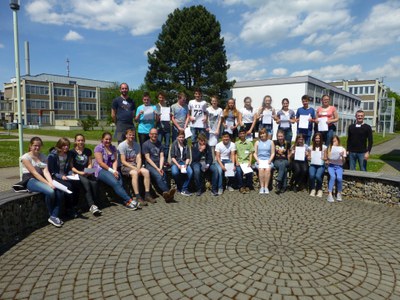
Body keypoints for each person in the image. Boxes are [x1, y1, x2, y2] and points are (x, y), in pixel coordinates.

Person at [21, 137, 64, 227]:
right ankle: (51, 214)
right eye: (35, 146)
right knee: (51, 191)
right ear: (30, 146)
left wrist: (51, 182)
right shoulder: (25, 157)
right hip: (30, 180)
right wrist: (48, 184)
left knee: (60, 192)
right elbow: (34, 173)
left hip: (41, 178)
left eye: (39, 146)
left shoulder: (43, 156)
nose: (37, 148)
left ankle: (54, 216)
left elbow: (45, 171)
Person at [93, 132, 141, 210]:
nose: (108, 141)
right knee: (115, 182)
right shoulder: (98, 148)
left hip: (111, 169)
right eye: (106, 139)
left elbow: (115, 160)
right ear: (102, 139)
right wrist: (112, 171)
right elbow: (101, 163)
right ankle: (130, 200)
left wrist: (115, 171)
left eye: (110, 139)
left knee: (120, 181)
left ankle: (126, 202)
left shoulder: (113, 148)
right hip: (100, 170)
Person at [118, 129, 155, 206]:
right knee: (135, 173)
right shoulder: (122, 145)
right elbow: (123, 161)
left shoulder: (137, 145)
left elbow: (139, 158)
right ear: (126, 135)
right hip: (125, 166)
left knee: (146, 172)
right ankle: (138, 196)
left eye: (133, 135)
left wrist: (138, 168)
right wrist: (135, 169)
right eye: (130, 135)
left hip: (135, 165)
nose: (131, 136)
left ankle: (147, 194)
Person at [70, 134, 102, 216]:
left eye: (82, 140)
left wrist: (88, 171)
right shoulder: (72, 152)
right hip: (77, 173)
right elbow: (71, 167)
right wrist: (81, 173)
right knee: (86, 183)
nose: (80, 142)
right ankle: (91, 206)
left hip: (86, 171)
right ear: (75, 141)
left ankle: (95, 203)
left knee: (94, 183)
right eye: (78, 140)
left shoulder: (87, 151)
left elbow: (89, 163)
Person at [142, 128, 176, 202]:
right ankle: (168, 192)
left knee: (163, 175)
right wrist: (157, 169)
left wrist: (160, 167)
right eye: (152, 134)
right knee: (159, 176)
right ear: (149, 135)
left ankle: (167, 196)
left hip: (158, 165)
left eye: (156, 134)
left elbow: (162, 156)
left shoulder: (160, 144)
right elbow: (147, 158)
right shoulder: (145, 144)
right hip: (150, 165)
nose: (154, 135)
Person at [47, 137, 78, 218]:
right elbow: (52, 171)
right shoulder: (52, 156)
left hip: (65, 175)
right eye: (64, 146)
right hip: (55, 177)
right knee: (68, 186)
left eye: (67, 145)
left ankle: (74, 206)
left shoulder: (68, 154)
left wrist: (72, 173)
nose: (66, 147)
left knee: (77, 183)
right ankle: (69, 209)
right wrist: (61, 176)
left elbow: (68, 169)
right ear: (59, 146)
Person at [170, 130, 193, 196]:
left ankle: (184, 188)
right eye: (180, 137)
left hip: (184, 162)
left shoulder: (186, 144)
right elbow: (172, 157)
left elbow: (188, 157)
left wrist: (186, 164)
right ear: (177, 137)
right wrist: (178, 165)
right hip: (175, 162)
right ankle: (179, 186)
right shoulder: (174, 144)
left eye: (182, 137)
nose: (181, 139)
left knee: (190, 172)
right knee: (175, 172)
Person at [254, 128, 275, 194]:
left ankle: (266, 187)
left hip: (268, 160)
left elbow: (273, 153)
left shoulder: (271, 142)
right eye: (261, 134)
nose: (262, 135)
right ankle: (262, 187)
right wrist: (257, 160)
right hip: (260, 160)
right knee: (261, 169)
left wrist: (269, 160)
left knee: (268, 170)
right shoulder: (257, 142)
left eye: (263, 133)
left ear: (266, 133)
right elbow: (254, 153)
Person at [325, 135, 346, 202]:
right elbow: (327, 158)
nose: (334, 142)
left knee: (339, 178)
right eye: (332, 141)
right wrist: (327, 160)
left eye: (335, 141)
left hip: (339, 166)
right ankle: (330, 194)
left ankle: (339, 193)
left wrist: (342, 156)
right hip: (331, 166)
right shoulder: (329, 148)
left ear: (338, 141)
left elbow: (344, 161)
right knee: (333, 177)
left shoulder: (342, 149)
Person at [235, 128, 254, 194]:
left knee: (249, 172)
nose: (242, 135)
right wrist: (237, 161)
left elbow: (251, 153)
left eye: (243, 133)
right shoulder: (236, 143)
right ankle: (241, 186)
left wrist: (250, 162)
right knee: (238, 171)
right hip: (239, 162)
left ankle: (248, 186)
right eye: (241, 133)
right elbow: (236, 153)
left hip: (246, 162)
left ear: (246, 134)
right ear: (239, 135)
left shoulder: (249, 143)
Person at [307, 132, 327, 198]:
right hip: (313, 164)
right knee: (312, 175)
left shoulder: (324, 147)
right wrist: (308, 157)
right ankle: (313, 189)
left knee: (318, 176)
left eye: (318, 138)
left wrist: (323, 158)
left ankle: (319, 189)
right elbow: (309, 157)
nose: (317, 139)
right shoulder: (310, 147)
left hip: (321, 165)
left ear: (321, 139)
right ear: (314, 139)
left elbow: (326, 158)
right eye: (316, 138)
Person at [155, 91, 171, 165]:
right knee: (159, 144)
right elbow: (155, 120)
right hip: (159, 128)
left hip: (167, 127)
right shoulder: (156, 106)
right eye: (159, 97)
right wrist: (158, 116)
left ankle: (165, 160)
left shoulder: (167, 106)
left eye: (162, 97)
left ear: (164, 98)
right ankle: (158, 159)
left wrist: (170, 115)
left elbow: (171, 117)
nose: (161, 99)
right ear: (158, 98)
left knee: (167, 145)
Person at [273, 129, 291, 194]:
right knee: (284, 169)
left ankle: (279, 182)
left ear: (284, 136)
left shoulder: (287, 143)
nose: (280, 138)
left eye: (281, 136)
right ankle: (284, 186)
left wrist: (289, 162)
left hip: (285, 160)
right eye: (279, 136)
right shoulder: (274, 143)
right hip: (277, 160)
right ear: (277, 137)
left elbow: (288, 154)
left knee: (283, 163)